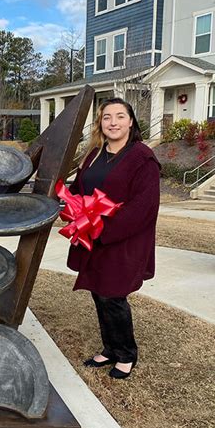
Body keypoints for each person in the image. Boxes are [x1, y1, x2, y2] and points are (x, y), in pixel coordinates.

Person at [67, 98, 160, 379]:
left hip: (122, 240)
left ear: (131, 121)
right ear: (101, 123)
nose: (113, 122)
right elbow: (78, 188)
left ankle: (126, 354)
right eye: (107, 117)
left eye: (120, 116)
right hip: (92, 238)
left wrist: (103, 230)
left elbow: (144, 207)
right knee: (99, 292)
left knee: (113, 296)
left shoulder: (142, 158)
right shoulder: (95, 154)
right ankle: (110, 349)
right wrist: (71, 209)